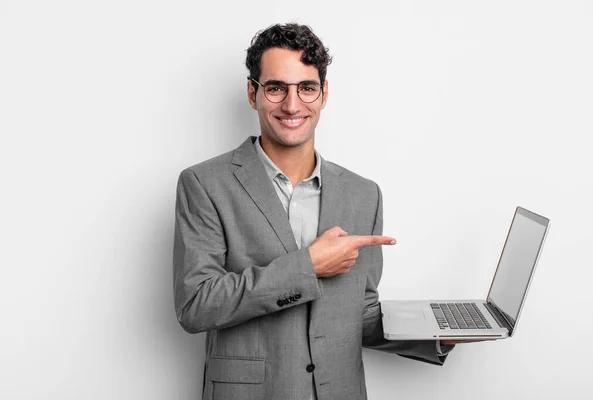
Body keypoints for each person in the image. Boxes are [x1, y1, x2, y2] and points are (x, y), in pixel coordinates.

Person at [173, 22, 454, 400]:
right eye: (276, 88)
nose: (292, 105)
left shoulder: (363, 194)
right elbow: (197, 305)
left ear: (323, 95)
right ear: (252, 93)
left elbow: (361, 314)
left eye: (306, 88)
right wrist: (308, 266)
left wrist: (436, 333)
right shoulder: (204, 184)